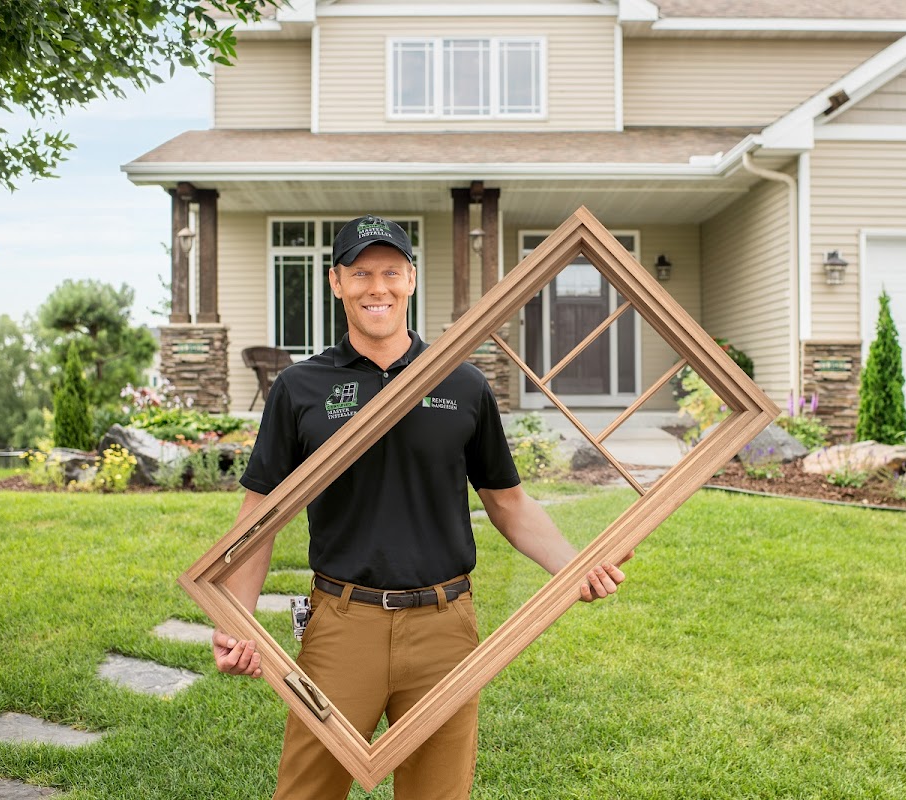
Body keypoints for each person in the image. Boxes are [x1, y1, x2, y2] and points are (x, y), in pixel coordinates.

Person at [211, 215, 629, 800]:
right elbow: (257, 519)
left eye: (390, 271)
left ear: (410, 279)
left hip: (445, 627)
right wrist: (236, 622)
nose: (376, 287)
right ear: (336, 282)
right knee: (307, 791)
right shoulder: (300, 387)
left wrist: (574, 567)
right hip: (341, 624)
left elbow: (508, 503)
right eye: (360, 273)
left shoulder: (461, 383)